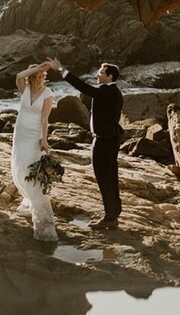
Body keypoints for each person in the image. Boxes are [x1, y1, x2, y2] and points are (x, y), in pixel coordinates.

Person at [47, 58, 123, 229]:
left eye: (101, 72)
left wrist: (61, 69)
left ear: (110, 77)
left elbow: (82, 87)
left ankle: (110, 218)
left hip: (104, 140)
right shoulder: (114, 92)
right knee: (111, 177)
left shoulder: (106, 92)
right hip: (110, 139)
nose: (98, 74)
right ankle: (114, 212)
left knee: (104, 178)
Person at [11, 61, 58, 241]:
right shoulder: (25, 89)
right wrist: (37, 68)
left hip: (33, 136)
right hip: (19, 134)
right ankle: (28, 200)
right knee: (21, 168)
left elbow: (45, 119)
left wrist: (44, 140)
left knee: (32, 171)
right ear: (31, 77)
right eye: (36, 76)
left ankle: (43, 220)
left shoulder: (47, 93)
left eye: (41, 76)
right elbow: (18, 76)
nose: (39, 79)